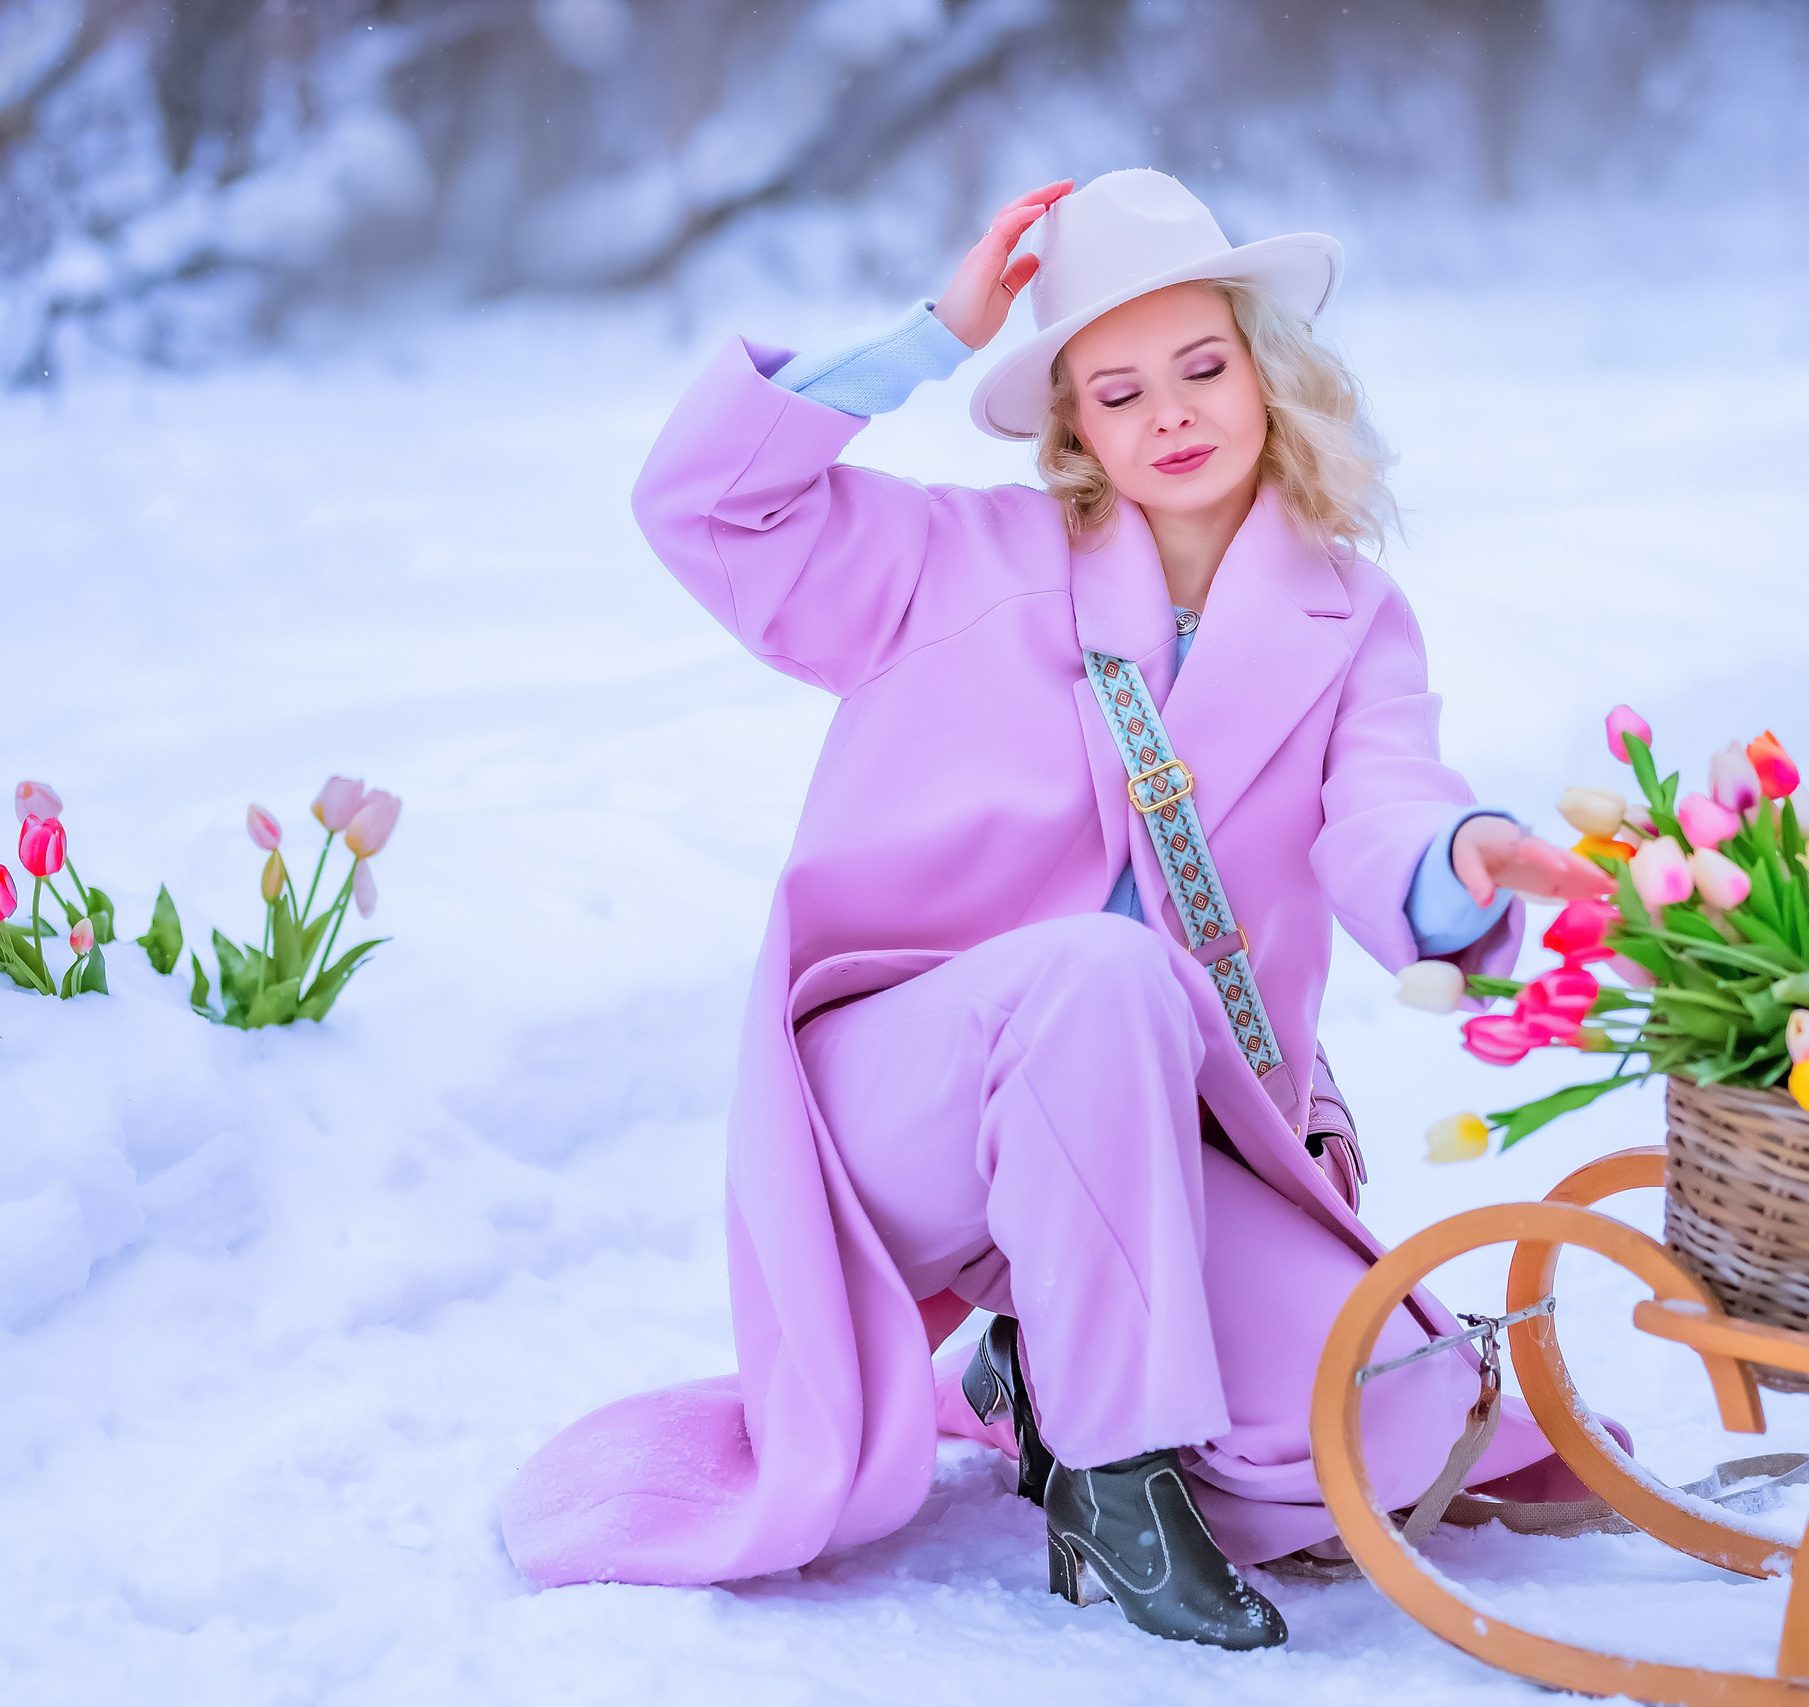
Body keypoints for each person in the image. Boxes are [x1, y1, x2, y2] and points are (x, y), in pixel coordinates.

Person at [501, 169, 1613, 1650]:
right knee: (1099, 975)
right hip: (907, 1108)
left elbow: (1385, 811)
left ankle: (1037, 1375)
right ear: (1071, 424)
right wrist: (930, 333)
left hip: (1153, 1145)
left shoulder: (1357, 621)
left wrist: (1456, 856)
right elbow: (706, 503)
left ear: (1269, 376)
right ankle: (1115, 1481)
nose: (1170, 414)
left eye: (1203, 367)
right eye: (1118, 388)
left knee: (1388, 1423)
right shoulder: (956, 564)